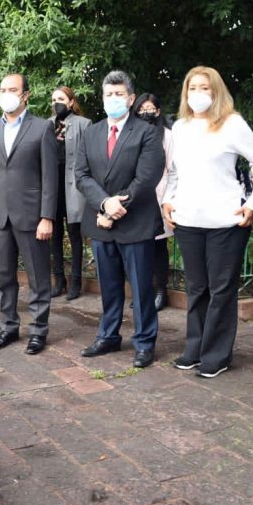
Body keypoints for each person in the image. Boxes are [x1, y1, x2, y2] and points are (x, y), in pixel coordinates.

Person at [162, 66, 253, 378]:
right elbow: (176, 171)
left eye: (205, 88)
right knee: (197, 288)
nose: (198, 94)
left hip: (226, 221)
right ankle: (195, 348)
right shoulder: (180, 127)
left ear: (216, 91)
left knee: (221, 290)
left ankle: (217, 355)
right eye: (192, 88)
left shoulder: (232, 124)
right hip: (188, 220)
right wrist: (169, 198)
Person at [75, 70, 165, 368]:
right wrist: (103, 204)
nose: (113, 99)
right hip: (101, 222)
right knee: (109, 285)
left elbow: (147, 176)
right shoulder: (91, 132)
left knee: (140, 288)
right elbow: (82, 175)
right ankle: (109, 336)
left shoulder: (147, 131)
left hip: (134, 220)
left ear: (130, 98)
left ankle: (144, 341)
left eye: (118, 94)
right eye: (108, 94)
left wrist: (116, 206)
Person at [0, 73, 58, 355]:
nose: (6, 94)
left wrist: (47, 216)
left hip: (32, 215)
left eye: (13, 89)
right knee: (4, 276)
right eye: (2, 89)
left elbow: (50, 177)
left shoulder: (42, 128)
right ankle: (8, 326)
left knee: (37, 277)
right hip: (0, 216)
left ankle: (38, 330)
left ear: (26, 94)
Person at [49, 86, 91, 300]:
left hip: (74, 187)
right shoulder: (47, 125)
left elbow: (89, 157)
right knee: (53, 235)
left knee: (75, 236)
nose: (57, 102)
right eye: (54, 99)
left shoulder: (84, 124)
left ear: (71, 102)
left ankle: (76, 281)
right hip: (53, 187)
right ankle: (59, 281)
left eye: (61, 99)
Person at [133, 93, 173, 310]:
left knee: (158, 246)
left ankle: (161, 290)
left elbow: (172, 168)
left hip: (160, 195)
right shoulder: (131, 134)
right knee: (139, 246)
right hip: (136, 196)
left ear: (158, 111)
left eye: (150, 108)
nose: (145, 113)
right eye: (141, 109)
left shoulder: (167, 136)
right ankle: (144, 290)